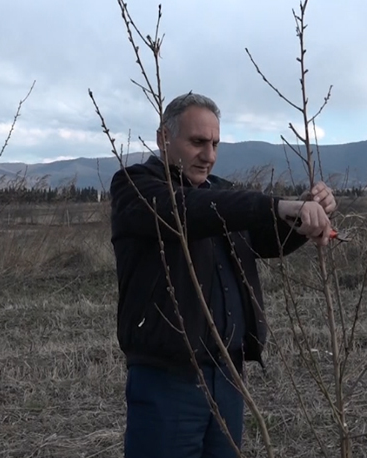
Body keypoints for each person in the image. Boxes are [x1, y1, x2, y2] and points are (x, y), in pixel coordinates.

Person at [109, 92, 337, 458]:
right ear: (163, 139)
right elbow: (187, 211)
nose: (210, 155)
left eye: (215, 143)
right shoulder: (135, 187)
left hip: (229, 377)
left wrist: (303, 218)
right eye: (197, 142)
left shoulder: (222, 193)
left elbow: (264, 239)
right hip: (169, 379)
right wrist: (274, 205)